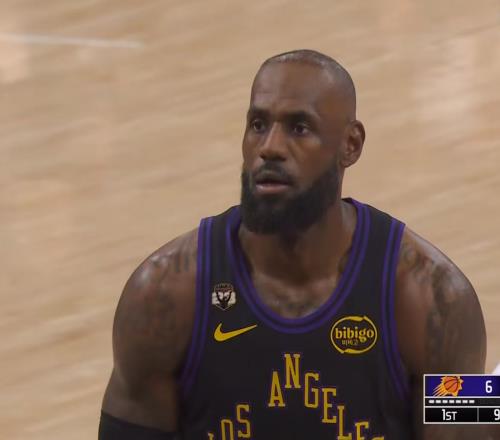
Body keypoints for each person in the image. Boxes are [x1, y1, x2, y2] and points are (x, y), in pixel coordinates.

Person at [99, 49, 488, 439]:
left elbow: (470, 429)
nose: (269, 147)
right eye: (258, 124)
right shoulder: (161, 293)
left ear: (351, 145)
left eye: (299, 128)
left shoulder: (437, 298)